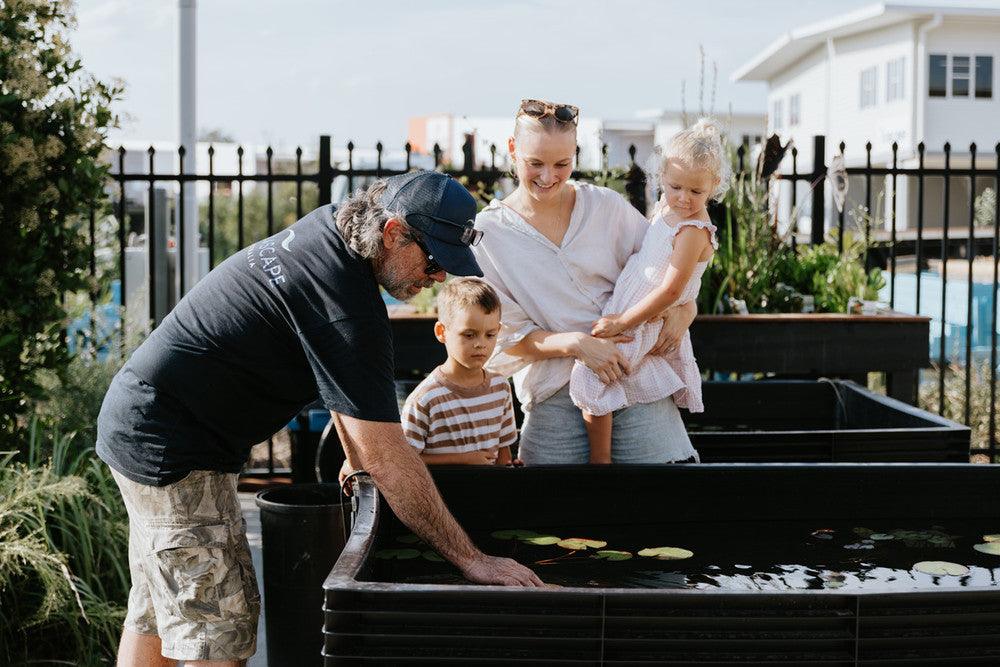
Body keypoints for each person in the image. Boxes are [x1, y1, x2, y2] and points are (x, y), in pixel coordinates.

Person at [96, 171, 543, 667]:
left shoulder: (329, 231)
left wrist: (357, 458)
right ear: (394, 233)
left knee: (157, 611)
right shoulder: (346, 307)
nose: (438, 277)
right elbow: (388, 455)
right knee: (218, 631)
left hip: (141, 420)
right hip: (174, 447)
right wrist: (471, 559)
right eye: (434, 259)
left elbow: (339, 385)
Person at [472, 99, 700, 465]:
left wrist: (686, 310)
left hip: (635, 376)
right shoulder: (488, 235)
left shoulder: (605, 206)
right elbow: (501, 338)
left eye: (562, 164)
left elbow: (670, 270)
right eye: (535, 164)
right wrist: (577, 345)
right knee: (552, 517)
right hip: (554, 396)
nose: (548, 177)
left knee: (661, 507)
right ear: (513, 150)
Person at [570, 118, 728, 464]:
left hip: (645, 316)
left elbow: (672, 290)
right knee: (609, 372)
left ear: (714, 185)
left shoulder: (692, 230)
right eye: (675, 187)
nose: (683, 199)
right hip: (633, 308)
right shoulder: (664, 211)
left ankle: (601, 461)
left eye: (696, 191)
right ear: (661, 179)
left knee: (592, 374)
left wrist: (624, 321)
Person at [401, 277, 517, 465]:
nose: (481, 344)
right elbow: (405, 461)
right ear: (441, 332)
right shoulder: (424, 399)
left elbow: (504, 454)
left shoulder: (500, 387)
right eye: (469, 335)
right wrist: (463, 460)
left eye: (490, 335)